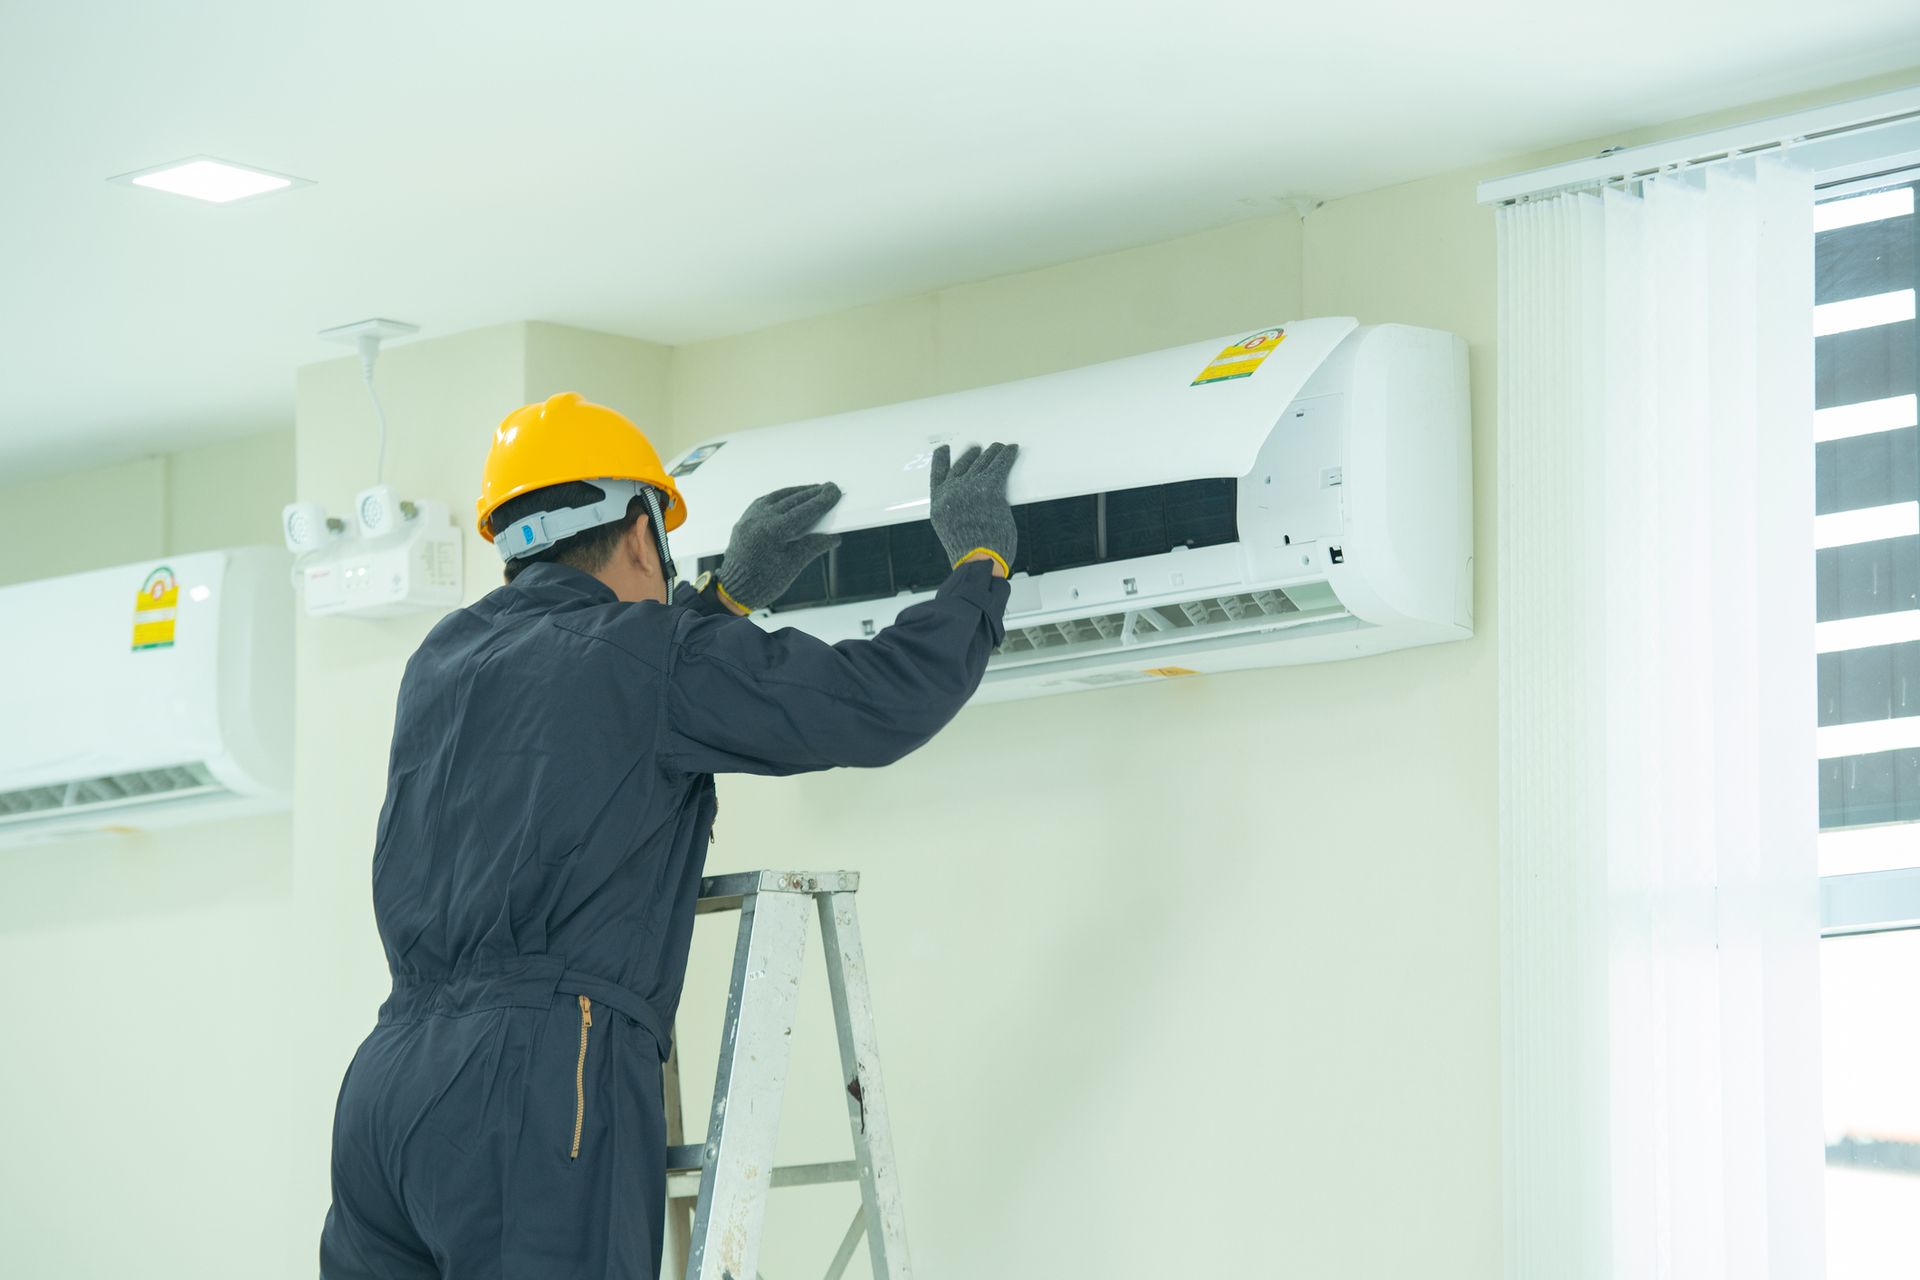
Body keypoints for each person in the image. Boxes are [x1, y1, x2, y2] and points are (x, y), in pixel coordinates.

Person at [318, 391, 1018, 1279]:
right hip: (539, 1074)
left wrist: (721, 600)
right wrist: (980, 568)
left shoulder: (443, 661)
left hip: (388, 1088)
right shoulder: (646, 652)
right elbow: (877, 701)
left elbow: (601, 710)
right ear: (643, 534)